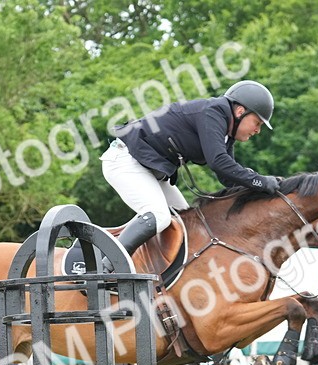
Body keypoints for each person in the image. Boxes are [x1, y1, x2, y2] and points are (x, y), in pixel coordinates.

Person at [63, 80, 279, 273]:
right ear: (240, 111)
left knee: (190, 226)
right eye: (257, 123)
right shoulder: (214, 112)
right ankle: (105, 268)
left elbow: (227, 177)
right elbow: (219, 163)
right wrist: (260, 181)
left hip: (147, 169)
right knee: (158, 215)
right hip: (124, 160)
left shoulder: (226, 131)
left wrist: (260, 188)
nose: (257, 130)